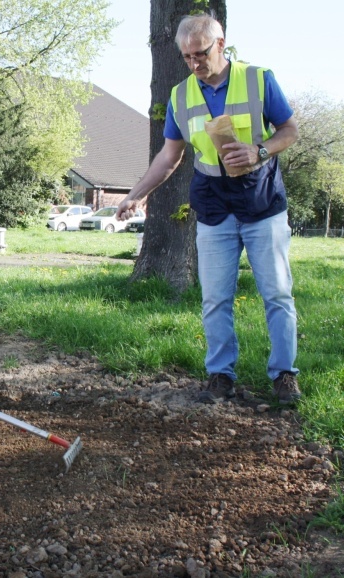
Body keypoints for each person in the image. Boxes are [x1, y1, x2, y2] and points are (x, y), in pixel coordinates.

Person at [115, 14, 301, 405]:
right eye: (186, 57)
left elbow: (289, 130)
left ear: (221, 44)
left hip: (261, 199)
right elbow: (169, 157)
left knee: (277, 294)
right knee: (215, 297)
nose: (194, 63)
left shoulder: (258, 78)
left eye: (200, 53)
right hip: (214, 204)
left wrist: (259, 150)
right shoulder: (180, 96)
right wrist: (137, 194)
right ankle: (221, 375)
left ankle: (284, 375)